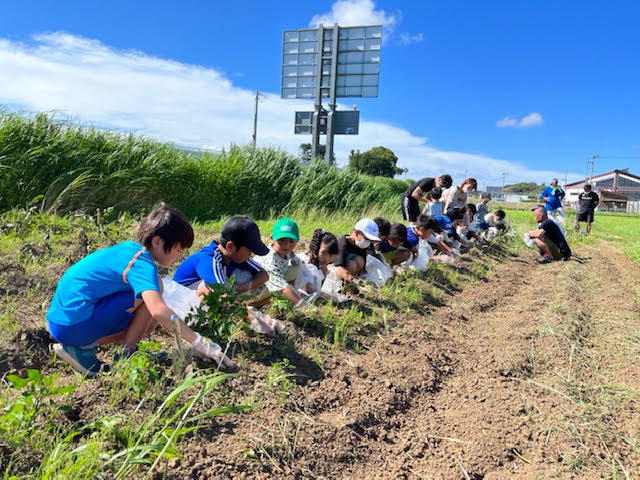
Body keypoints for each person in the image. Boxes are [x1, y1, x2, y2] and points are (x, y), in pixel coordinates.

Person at [46, 202, 233, 377]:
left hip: (61, 322)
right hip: (73, 326)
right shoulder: (142, 263)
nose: (180, 256)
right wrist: (199, 342)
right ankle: (120, 353)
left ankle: (93, 347)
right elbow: (158, 310)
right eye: (178, 249)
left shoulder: (128, 251)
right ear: (158, 242)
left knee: (151, 299)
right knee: (155, 293)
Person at [173, 215, 282, 335]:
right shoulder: (209, 259)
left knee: (262, 289)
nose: (250, 255)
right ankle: (202, 326)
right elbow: (221, 293)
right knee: (208, 287)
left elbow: (263, 275)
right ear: (230, 246)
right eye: (249, 251)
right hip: (179, 307)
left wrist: (243, 287)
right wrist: (253, 318)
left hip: (209, 302)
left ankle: (236, 311)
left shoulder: (236, 256)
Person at [254, 217, 305, 306]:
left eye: (291, 241)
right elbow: (284, 288)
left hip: (272, 285)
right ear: (272, 238)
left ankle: (285, 297)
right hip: (253, 292)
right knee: (285, 292)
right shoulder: (270, 260)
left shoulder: (287, 254)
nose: (287, 245)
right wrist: (303, 306)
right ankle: (254, 304)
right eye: (281, 240)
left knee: (295, 266)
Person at [334, 218, 381, 282]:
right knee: (352, 264)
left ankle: (349, 280)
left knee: (360, 260)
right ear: (356, 233)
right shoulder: (342, 243)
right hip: (335, 271)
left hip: (350, 274)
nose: (368, 242)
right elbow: (339, 269)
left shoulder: (361, 245)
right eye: (367, 239)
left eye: (370, 240)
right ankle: (345, 282)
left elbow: (363, 269)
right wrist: (355, 282)